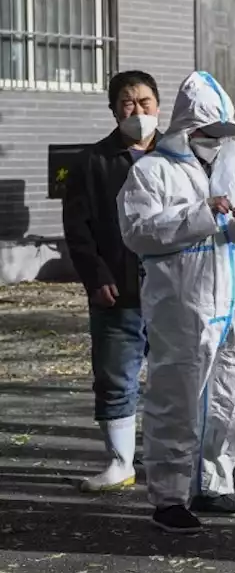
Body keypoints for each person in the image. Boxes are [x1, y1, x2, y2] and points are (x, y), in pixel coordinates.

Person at [117, 70, 235, 533]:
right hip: (182, 303)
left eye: (221, 132)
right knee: (176, 398)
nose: (214, 140)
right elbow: (139, 233)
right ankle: (170, 496)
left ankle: (215, 483)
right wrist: (202, 214)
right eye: (205, 132)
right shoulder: (150, 172)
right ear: (185, 129)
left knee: (230, 395)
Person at [62, 71, 161, 492]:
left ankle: (171, 458)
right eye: (127, 103)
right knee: (116, 374)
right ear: (113, 109)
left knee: (177, 376)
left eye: (145, 103)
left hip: (173, 288)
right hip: (118, 286)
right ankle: (121, 462)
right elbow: (77, 228)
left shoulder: (179, 155)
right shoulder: (92, 162)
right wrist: (94, 277)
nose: (137, 111)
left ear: (159, 105)